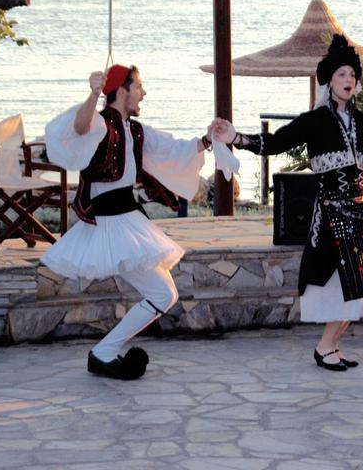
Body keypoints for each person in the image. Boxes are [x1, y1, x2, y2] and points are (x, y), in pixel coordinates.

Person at [211, 34, 363, 371]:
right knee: (336, 284)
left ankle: (331, 345)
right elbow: (276, 143)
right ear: (329, 80)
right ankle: (325, 346)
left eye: (352, 75)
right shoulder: (314, 122)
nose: (348, 80)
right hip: (332, 217)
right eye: (341, 74)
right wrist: (236, 138)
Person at [41, 64, 238, 380]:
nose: (143, 93)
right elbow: (79, 127)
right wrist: (93, 93)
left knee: (165, 294)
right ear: (122, 90)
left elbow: (174, 149)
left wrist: (208, 138)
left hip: (128, 221)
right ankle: (103, 353)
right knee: (163, 295)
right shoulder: (101, 124)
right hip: (112, 225)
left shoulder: (133, 130)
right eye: (139, 87)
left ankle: (103, 353)